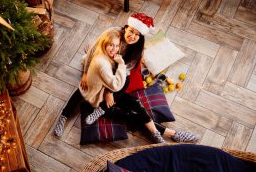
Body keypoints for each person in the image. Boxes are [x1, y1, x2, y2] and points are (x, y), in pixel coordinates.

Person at [82, 13, 198, 143]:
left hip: (115, 82)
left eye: (137, 34)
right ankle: (172, 133)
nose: (133, 36)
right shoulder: (112, 34)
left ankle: (169, 134)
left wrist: (111, 92)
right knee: (130, 113)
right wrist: (86, 73)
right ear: (126, 27)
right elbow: (93, 50)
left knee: (135, 101)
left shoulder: (136, 49)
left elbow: (125, 72)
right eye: (131, 31)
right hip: (101, 78)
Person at [54, 28, 127, 137]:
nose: (114, 49)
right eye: (111, 45)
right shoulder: (103, 64)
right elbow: (116, 85)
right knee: (82, 92)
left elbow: (91, 51)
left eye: (117, 46)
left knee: (81, 92)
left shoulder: (101, 50)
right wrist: (121, 64)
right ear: (105, 43)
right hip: (94, 84)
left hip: (97, 80)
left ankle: (97, 110)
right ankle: (64, 117)